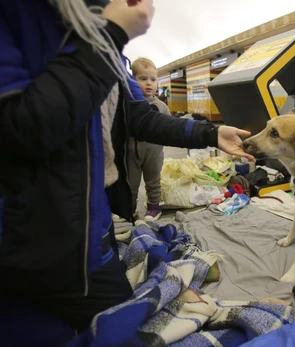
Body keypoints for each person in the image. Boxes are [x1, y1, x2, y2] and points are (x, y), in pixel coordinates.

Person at [0, 0, 254, 340]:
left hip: (93, 230)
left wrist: (209, 133)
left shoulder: (103, 38)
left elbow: (141, 116)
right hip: (33, 244)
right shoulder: (20, 16)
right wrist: (111, 34)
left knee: (128, 329)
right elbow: (24, 131)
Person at [128, 57, 168, 221]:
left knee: (153, 181)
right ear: (133, 80)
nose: (149, 83)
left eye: (153, 79)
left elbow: (170, 127)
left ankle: (153, 207)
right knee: (130, 183)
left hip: (154, 152)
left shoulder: (161, 106)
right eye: (143, 79)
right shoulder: (128, 104)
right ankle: (129, 210)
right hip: (130, 152)